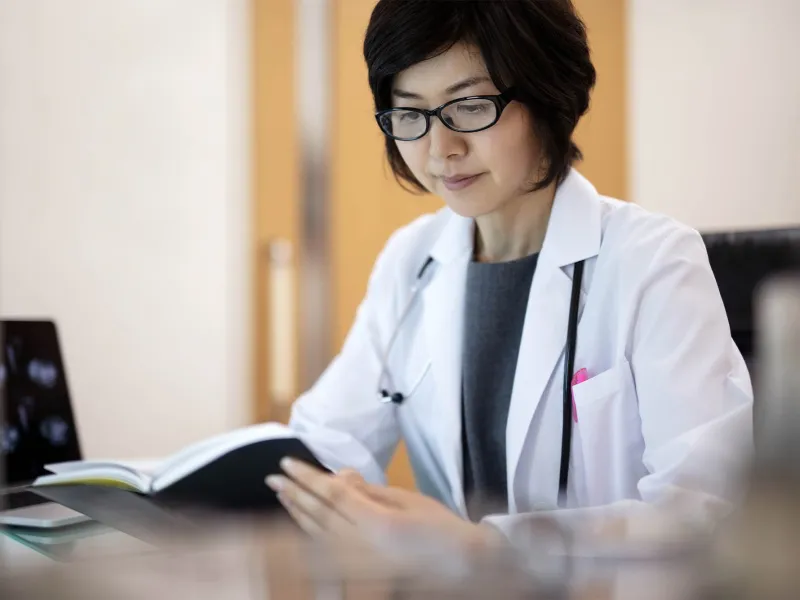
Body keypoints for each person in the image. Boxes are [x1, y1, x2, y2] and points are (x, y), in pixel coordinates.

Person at [264, 0, 753, 552]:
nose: (440, 148)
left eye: (469, 106)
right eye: (411, 114)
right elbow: (327, 441)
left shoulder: (655, 262)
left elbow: (705, 509)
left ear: (546, 95)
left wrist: (481, 547)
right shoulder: (412, 260)